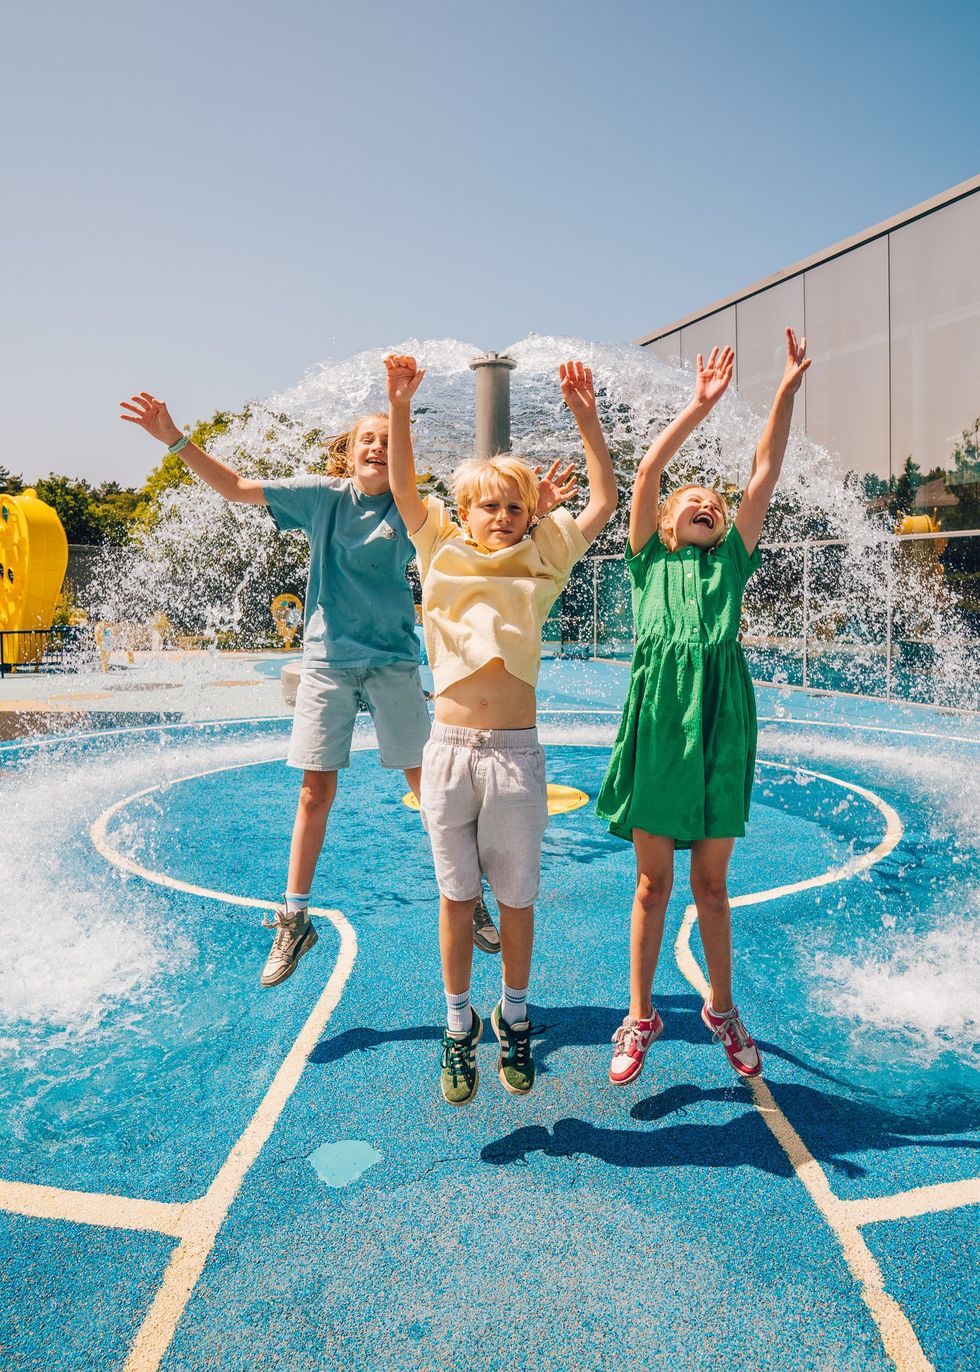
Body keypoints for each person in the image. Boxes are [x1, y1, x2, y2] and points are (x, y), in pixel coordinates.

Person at [119, 393, 445, 982]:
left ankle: (464, 897)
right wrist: (174, 439)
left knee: (431, 790)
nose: (379, 446)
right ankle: (294, 918)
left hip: (395, 660)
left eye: (391, 440)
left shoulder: (416, 507)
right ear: (346, 454)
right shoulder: (321, 497)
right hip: (328, 661)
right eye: (367, 439)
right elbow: (238, 487)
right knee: (314, 793)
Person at [383, 353, 618, 1105]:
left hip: (515, 757)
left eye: (515, 507)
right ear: (465, 513)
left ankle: (513, 1014)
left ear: (529, 515)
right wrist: (398, 405)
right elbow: (401, 487)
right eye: (488, 507)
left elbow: (605, 502)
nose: (503, 517)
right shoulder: (440, 550)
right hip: (448, 753)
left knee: (515, 901)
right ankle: (459, 1028)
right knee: (457, 901)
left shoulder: (543, 560)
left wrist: (586, 420)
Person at [597, 330, 810, 1085]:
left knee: (711, 885)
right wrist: (699, 405)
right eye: (690, 500)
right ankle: (640, 1013)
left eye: (713, 503)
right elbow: (649, 468)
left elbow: (765, 472)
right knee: (652, 884)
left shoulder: (732, 561)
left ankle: (722, 1008)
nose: (704, 502)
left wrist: (783, 390)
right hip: (659, 718)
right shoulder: (647, 558)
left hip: (721, 718)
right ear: (660, 523)